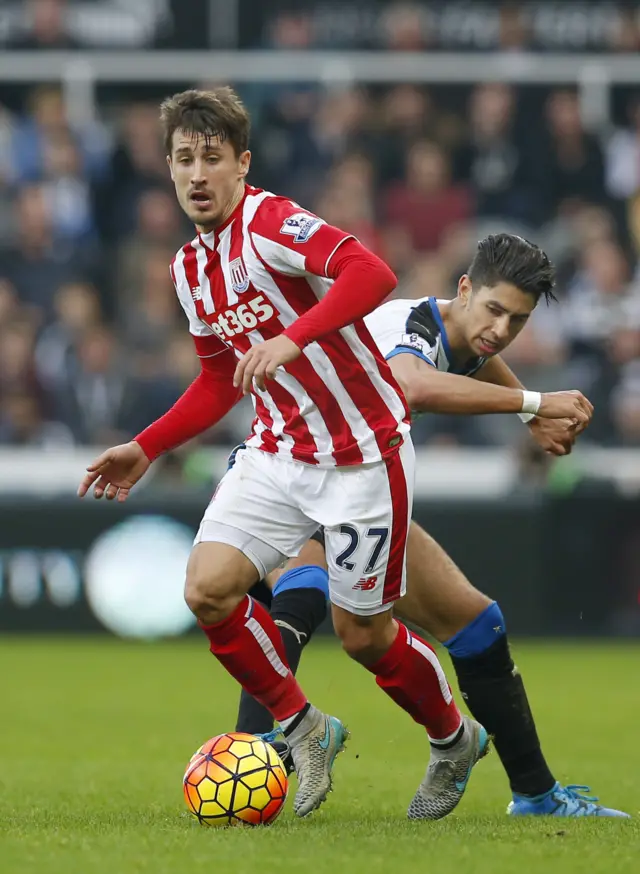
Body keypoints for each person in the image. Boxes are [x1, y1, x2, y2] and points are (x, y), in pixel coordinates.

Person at [77, 87, 489, 821]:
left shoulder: (269, 220)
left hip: (364, 450)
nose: (196, 173)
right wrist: (147, 446)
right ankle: (305, 728)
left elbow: (371, 271)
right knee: (207, 590)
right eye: (182, 160)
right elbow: (215, 378)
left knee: (365, 636)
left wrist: (294, 337)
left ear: (242, 164)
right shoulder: (188, 268)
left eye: (211, 158)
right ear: (167, 171)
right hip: (277, 450)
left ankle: (454, 739)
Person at [234, 233, 629, 819]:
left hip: (358, 486)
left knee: (477, 627)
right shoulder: (406, 327)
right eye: (493, 309)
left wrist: (525, 411)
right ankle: (248, 751)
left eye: (516, 320)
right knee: (305, 589)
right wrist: (533, 404)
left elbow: (477, 354)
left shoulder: (464, 331)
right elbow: (411, 383)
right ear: (463, 288)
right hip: (294, 464)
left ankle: (536, 797)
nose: (500, 328)